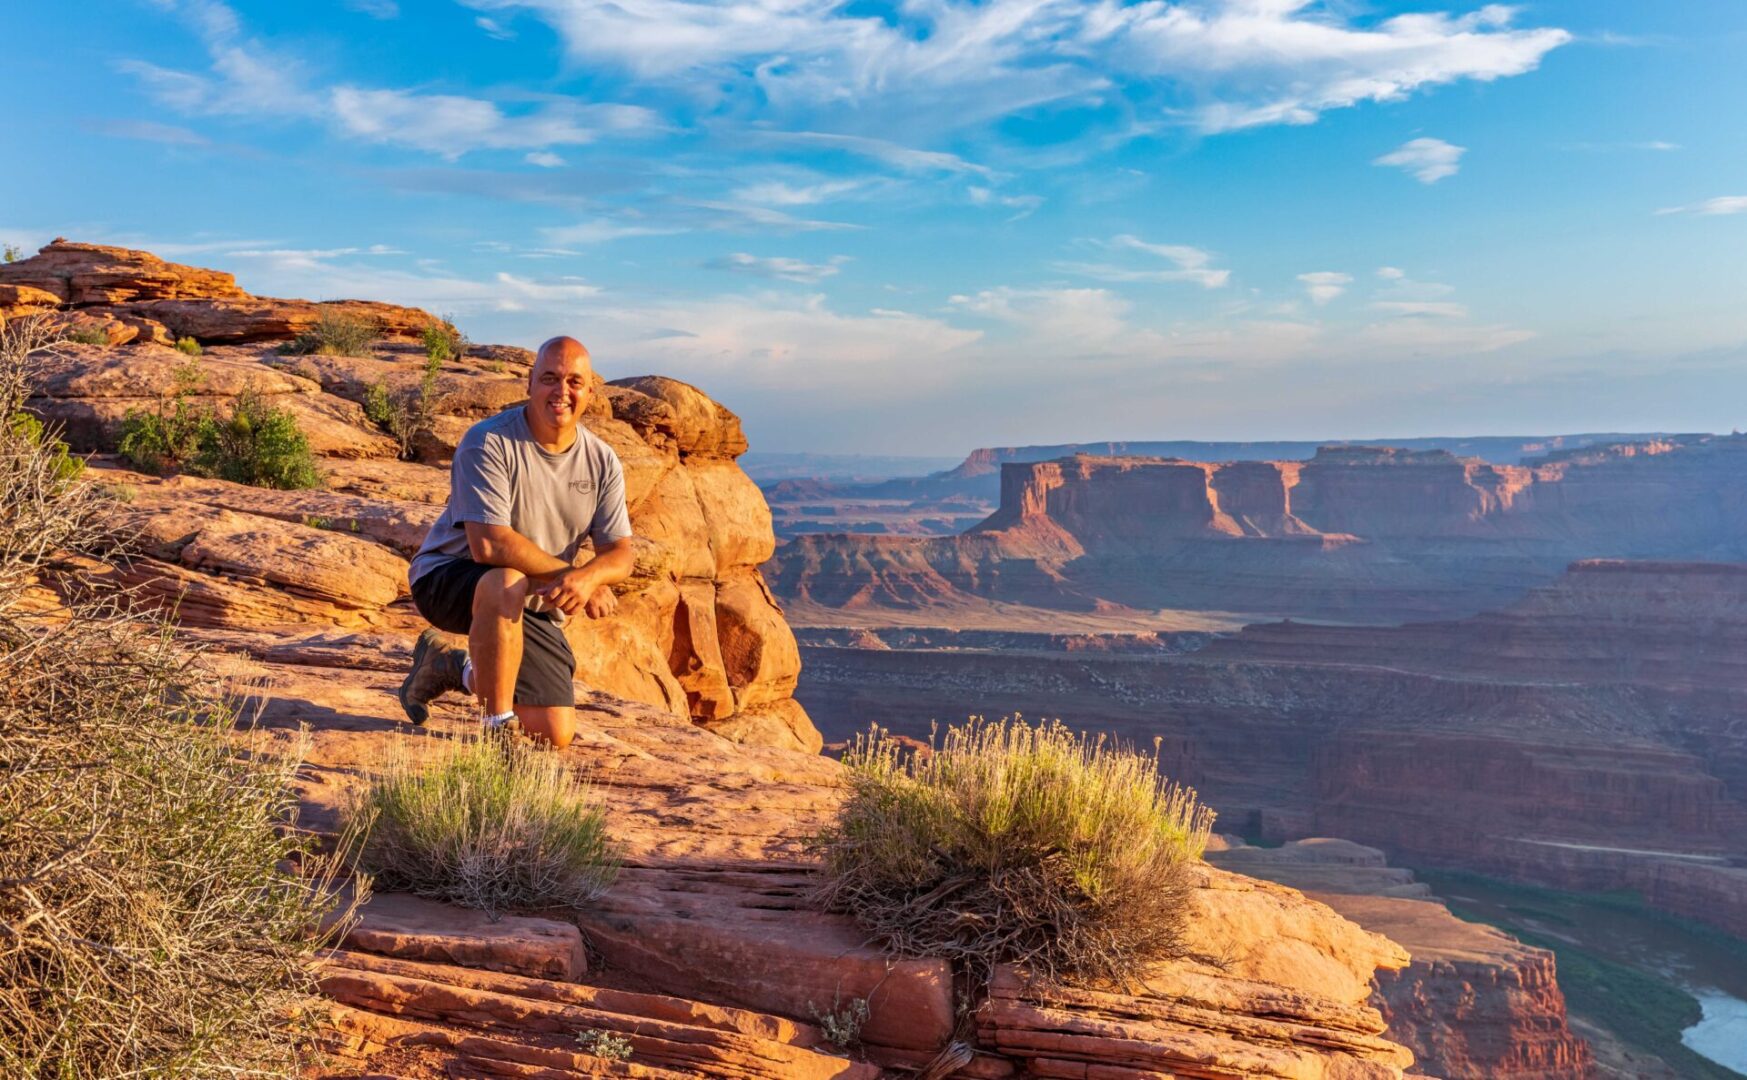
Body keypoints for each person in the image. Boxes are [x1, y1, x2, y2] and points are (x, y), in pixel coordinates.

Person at [398, 335, 636, 750]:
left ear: (591, 393)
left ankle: (451, 668)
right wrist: (572, 577)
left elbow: (621, 553)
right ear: (529, 383)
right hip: (449, 577)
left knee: (553, 733)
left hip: (534, 592)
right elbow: (488, 546)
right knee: (504, 578)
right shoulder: (489, 442)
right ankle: (497, 729)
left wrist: (592, 577)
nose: (561, 391)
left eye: (574, 382)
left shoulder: (601, 460)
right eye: (550, 378)